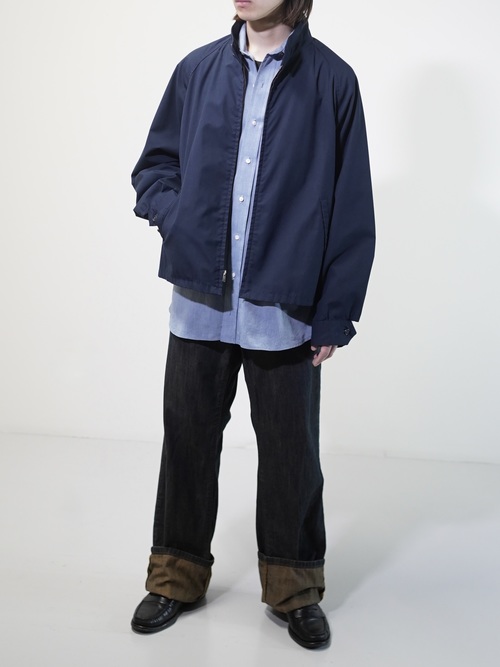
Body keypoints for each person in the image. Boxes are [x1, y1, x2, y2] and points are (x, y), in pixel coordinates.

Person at [130, 0, 375, 650]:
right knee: (187, 442)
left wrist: (335, 310)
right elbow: (154, 168)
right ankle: (174, 577)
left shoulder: (332, 81)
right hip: (200, 303)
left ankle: (295, 588)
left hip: (284, 307)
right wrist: (179, 219)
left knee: (292, 453)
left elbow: (351, 205)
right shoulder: (197, 70)